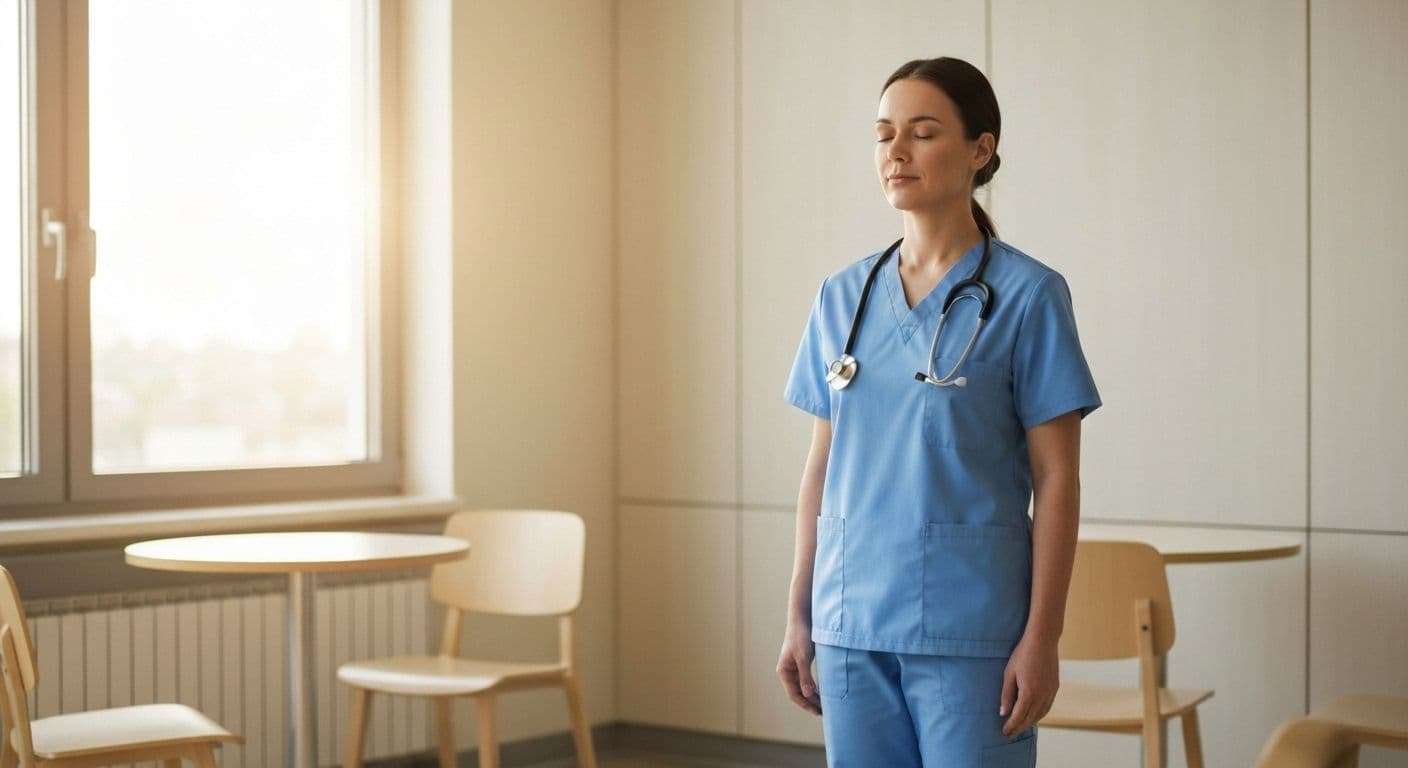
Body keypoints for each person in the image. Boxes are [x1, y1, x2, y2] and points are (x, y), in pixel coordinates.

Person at [776, 56, 1101, 767]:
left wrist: (1042, 638)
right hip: (850, 623)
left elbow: (1057, 481)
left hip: (972, 631)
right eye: (884, 133)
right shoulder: (843, 295)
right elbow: (820, 470)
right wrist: (799, 614)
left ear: (980, 150)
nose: (896, 151)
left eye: (922, 133)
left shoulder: (1028, 297)